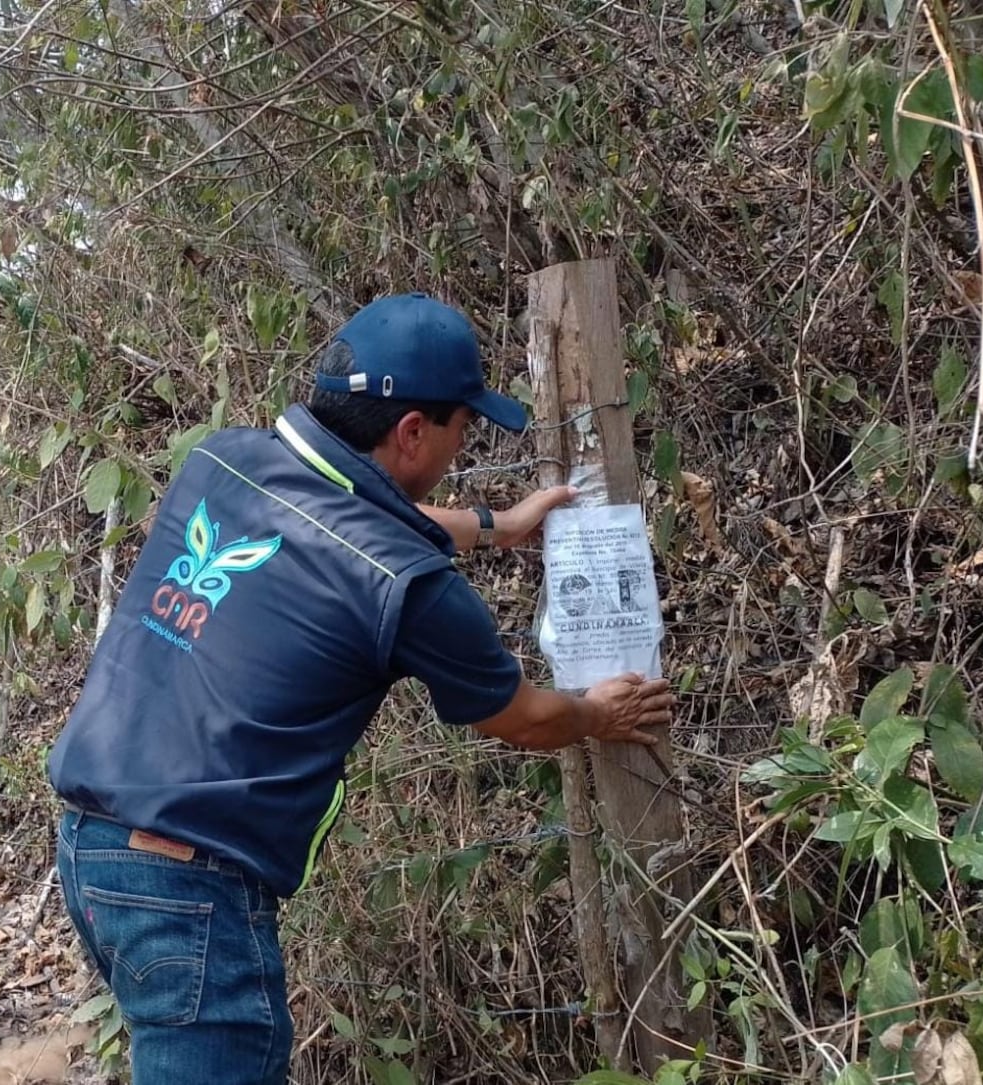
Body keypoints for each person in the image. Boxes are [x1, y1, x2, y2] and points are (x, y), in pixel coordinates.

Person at [48, 292, 672, 1084]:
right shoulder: (412, 587)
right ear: (413, 431)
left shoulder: (223, 459)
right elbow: (522, 719)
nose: (464, 440)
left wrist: (497, 523)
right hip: (188, 891)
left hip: (88, 849)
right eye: (462, 425)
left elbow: (341, 513)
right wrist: (597, 712)